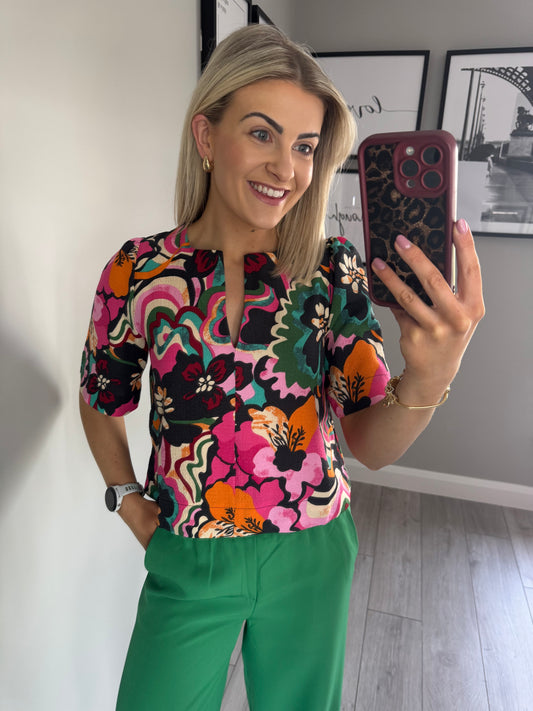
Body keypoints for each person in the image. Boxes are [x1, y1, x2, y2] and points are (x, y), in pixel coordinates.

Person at [79, 24, 484, 711]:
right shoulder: (140, 269)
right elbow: (101, 396)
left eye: (304, 146)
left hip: (312, 549)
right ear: (207, 136)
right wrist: (128, 500)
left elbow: (370, 444)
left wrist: (430, 375)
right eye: (262, 134)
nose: (287, 169)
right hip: (189, 550)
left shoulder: (331, 270)